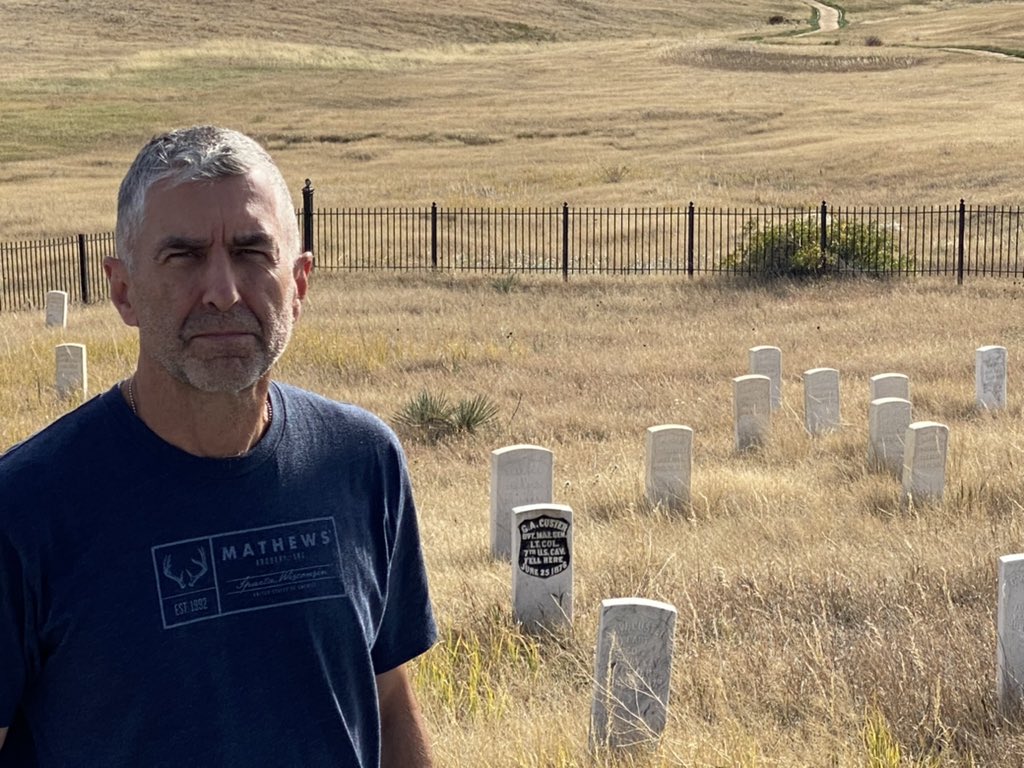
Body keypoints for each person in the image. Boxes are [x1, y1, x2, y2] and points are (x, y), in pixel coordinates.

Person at [0, 126, 437, 767]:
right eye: (183, 256)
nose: (224, 291)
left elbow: (391, 704)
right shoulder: (27, 506)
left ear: (300, 282)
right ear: (122, 290)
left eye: (252, 252)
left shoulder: (361, 463)